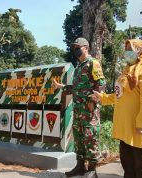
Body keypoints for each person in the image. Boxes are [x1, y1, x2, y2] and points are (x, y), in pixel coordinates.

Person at [91, 39, 142, 178]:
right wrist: (102, 97)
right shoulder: (126, 71)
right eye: (126, 49)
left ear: (140, 51)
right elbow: (119, 95)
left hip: (139, 128)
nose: (127, 53)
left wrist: (141, 124)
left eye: (130, 49)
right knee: (128, 167)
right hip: (126, 128)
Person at [52, 37, 106, 178]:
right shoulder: (79, 67)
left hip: (89, 110)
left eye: (77, 47)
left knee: (90, 137)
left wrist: (93, 101)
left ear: (86, 48)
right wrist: (61, 86)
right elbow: (76, 88)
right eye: (74, 48)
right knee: (79, 138)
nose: (75, 50)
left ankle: (92, 170)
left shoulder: (93, 63)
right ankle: (80, 166)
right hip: (78, 110)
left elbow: (101, 84)